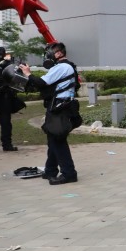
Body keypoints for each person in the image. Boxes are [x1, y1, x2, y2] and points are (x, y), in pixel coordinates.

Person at [19, 43, 80, 185]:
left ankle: (69, 174)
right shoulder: (65, 66)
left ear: (59, 54)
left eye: (50, 52)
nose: (48, 55)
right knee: (53, 138)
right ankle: (50, 170)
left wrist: (28, 73)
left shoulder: (62, 67)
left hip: (60, 107)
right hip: (61, 106)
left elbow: (41, 83)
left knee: (58, 140)